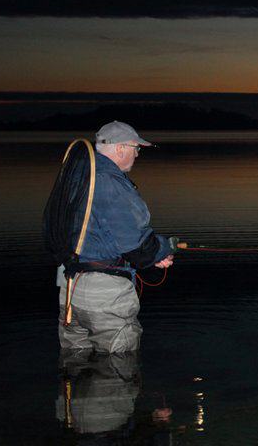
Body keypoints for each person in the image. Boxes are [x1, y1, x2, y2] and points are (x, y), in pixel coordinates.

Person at [57, 121, 175, 353]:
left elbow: (98, 233)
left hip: (70, 289)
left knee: (74, 364)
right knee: (118, 369)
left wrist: (151, 255)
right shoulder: (111, 183)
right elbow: (136, 245)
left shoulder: (79, 175)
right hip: (103, 295)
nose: (137, 154)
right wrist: (163, 248)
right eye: (136, 148)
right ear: (120, 148)